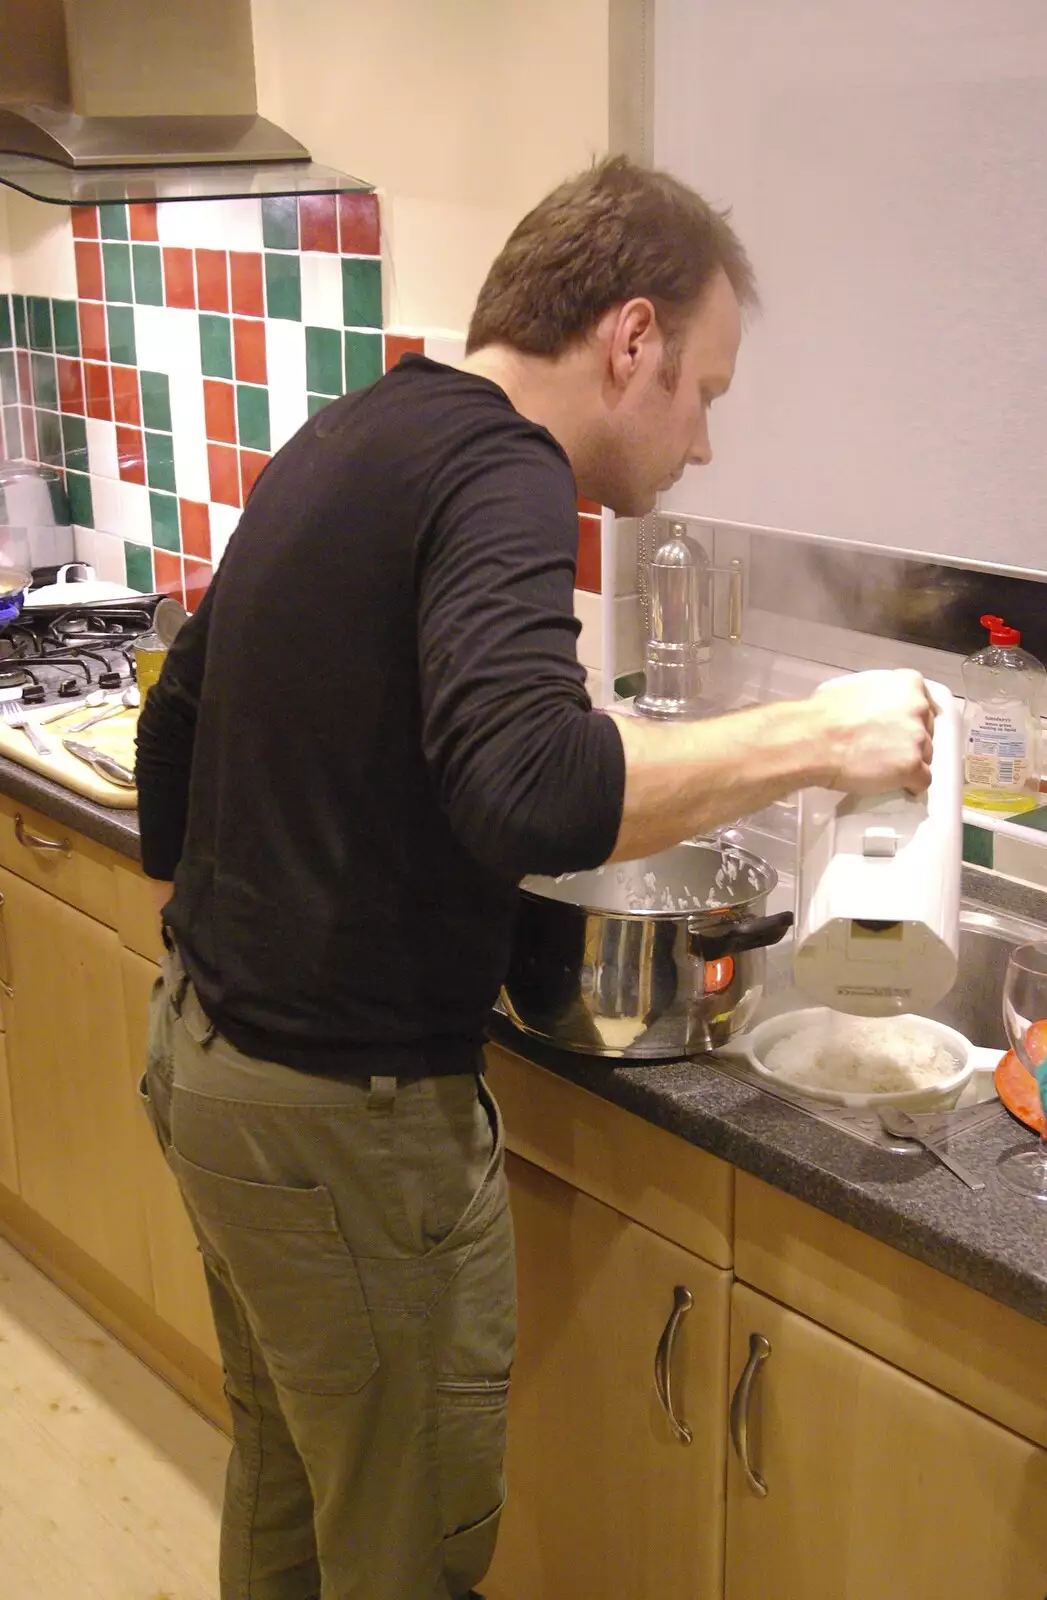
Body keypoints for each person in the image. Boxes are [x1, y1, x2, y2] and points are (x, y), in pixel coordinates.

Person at [135, 155, 934, 1600]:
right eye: (703, 391)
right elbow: (528, 786)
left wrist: (247, 938)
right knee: (403, 1551)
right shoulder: (503, 465)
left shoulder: (365, 423)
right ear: (629, 339)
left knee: (296, 1493)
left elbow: (179, 712)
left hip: (208, 1066)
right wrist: (816, 735)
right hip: (344, 1122)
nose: (700, 445)